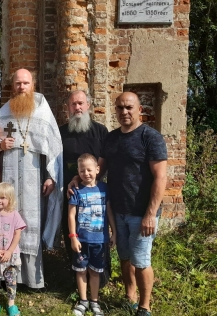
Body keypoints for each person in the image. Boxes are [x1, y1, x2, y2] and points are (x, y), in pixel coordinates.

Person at [0, 68, 63, 288]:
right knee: (6, 222)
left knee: (30, 225)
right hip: (9, 178)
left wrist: (51, 176)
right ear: (13, 86)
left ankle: (31, 279)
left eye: (26, 83)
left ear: (33, 85)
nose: (22, 87)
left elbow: (54, 147)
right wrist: (0, 144)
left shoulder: (42, 111)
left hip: (34, 180)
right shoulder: (3, 113)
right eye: (18, 83)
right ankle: (6, 276)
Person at [98, 92, 167, 316]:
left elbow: (160, 177)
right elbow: (100, 169)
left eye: (129, 107)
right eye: (119, 108)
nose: (124, 112)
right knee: (124, 256)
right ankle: (130, 295)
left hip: (142, 211)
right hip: (118, 209)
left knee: (141, 259)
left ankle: (144, 307)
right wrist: (80, 180)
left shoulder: (150, 137)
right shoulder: (111, 138)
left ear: (139, 110)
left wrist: (150, 214)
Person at [60, 90, 108, 260]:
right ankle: (76, 272)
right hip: (70, 189)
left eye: (80, 103)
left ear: (88, 105)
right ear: (68, 108)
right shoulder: (61, 132)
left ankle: (99, 274)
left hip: (95, 189)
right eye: (73, 104)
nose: (77, 107)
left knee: (96, 228)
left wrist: (87, 179)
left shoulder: (100, 131)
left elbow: (104, 159)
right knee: (71, 226)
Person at [68, 154, 115, 316]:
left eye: (89, 170)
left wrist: (113, 232)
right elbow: (71, 215)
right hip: (81, 240)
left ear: (97, 169)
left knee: (95, 272)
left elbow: (109, 211)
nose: (86, 173)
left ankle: (94, 301)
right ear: (78, 172)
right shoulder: (76, 190)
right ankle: (83, 301)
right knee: (81, 270)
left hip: (100, 240)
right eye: (82, 171)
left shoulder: (104, 188)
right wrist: (73, 236)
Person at [0, 182, 26, 316]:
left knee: (10, 280)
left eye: (2, 197)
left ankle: (11, 304)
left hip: (10, 255)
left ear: (10, 199)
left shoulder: (15, 215)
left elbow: (17, 235)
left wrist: (9, 251)